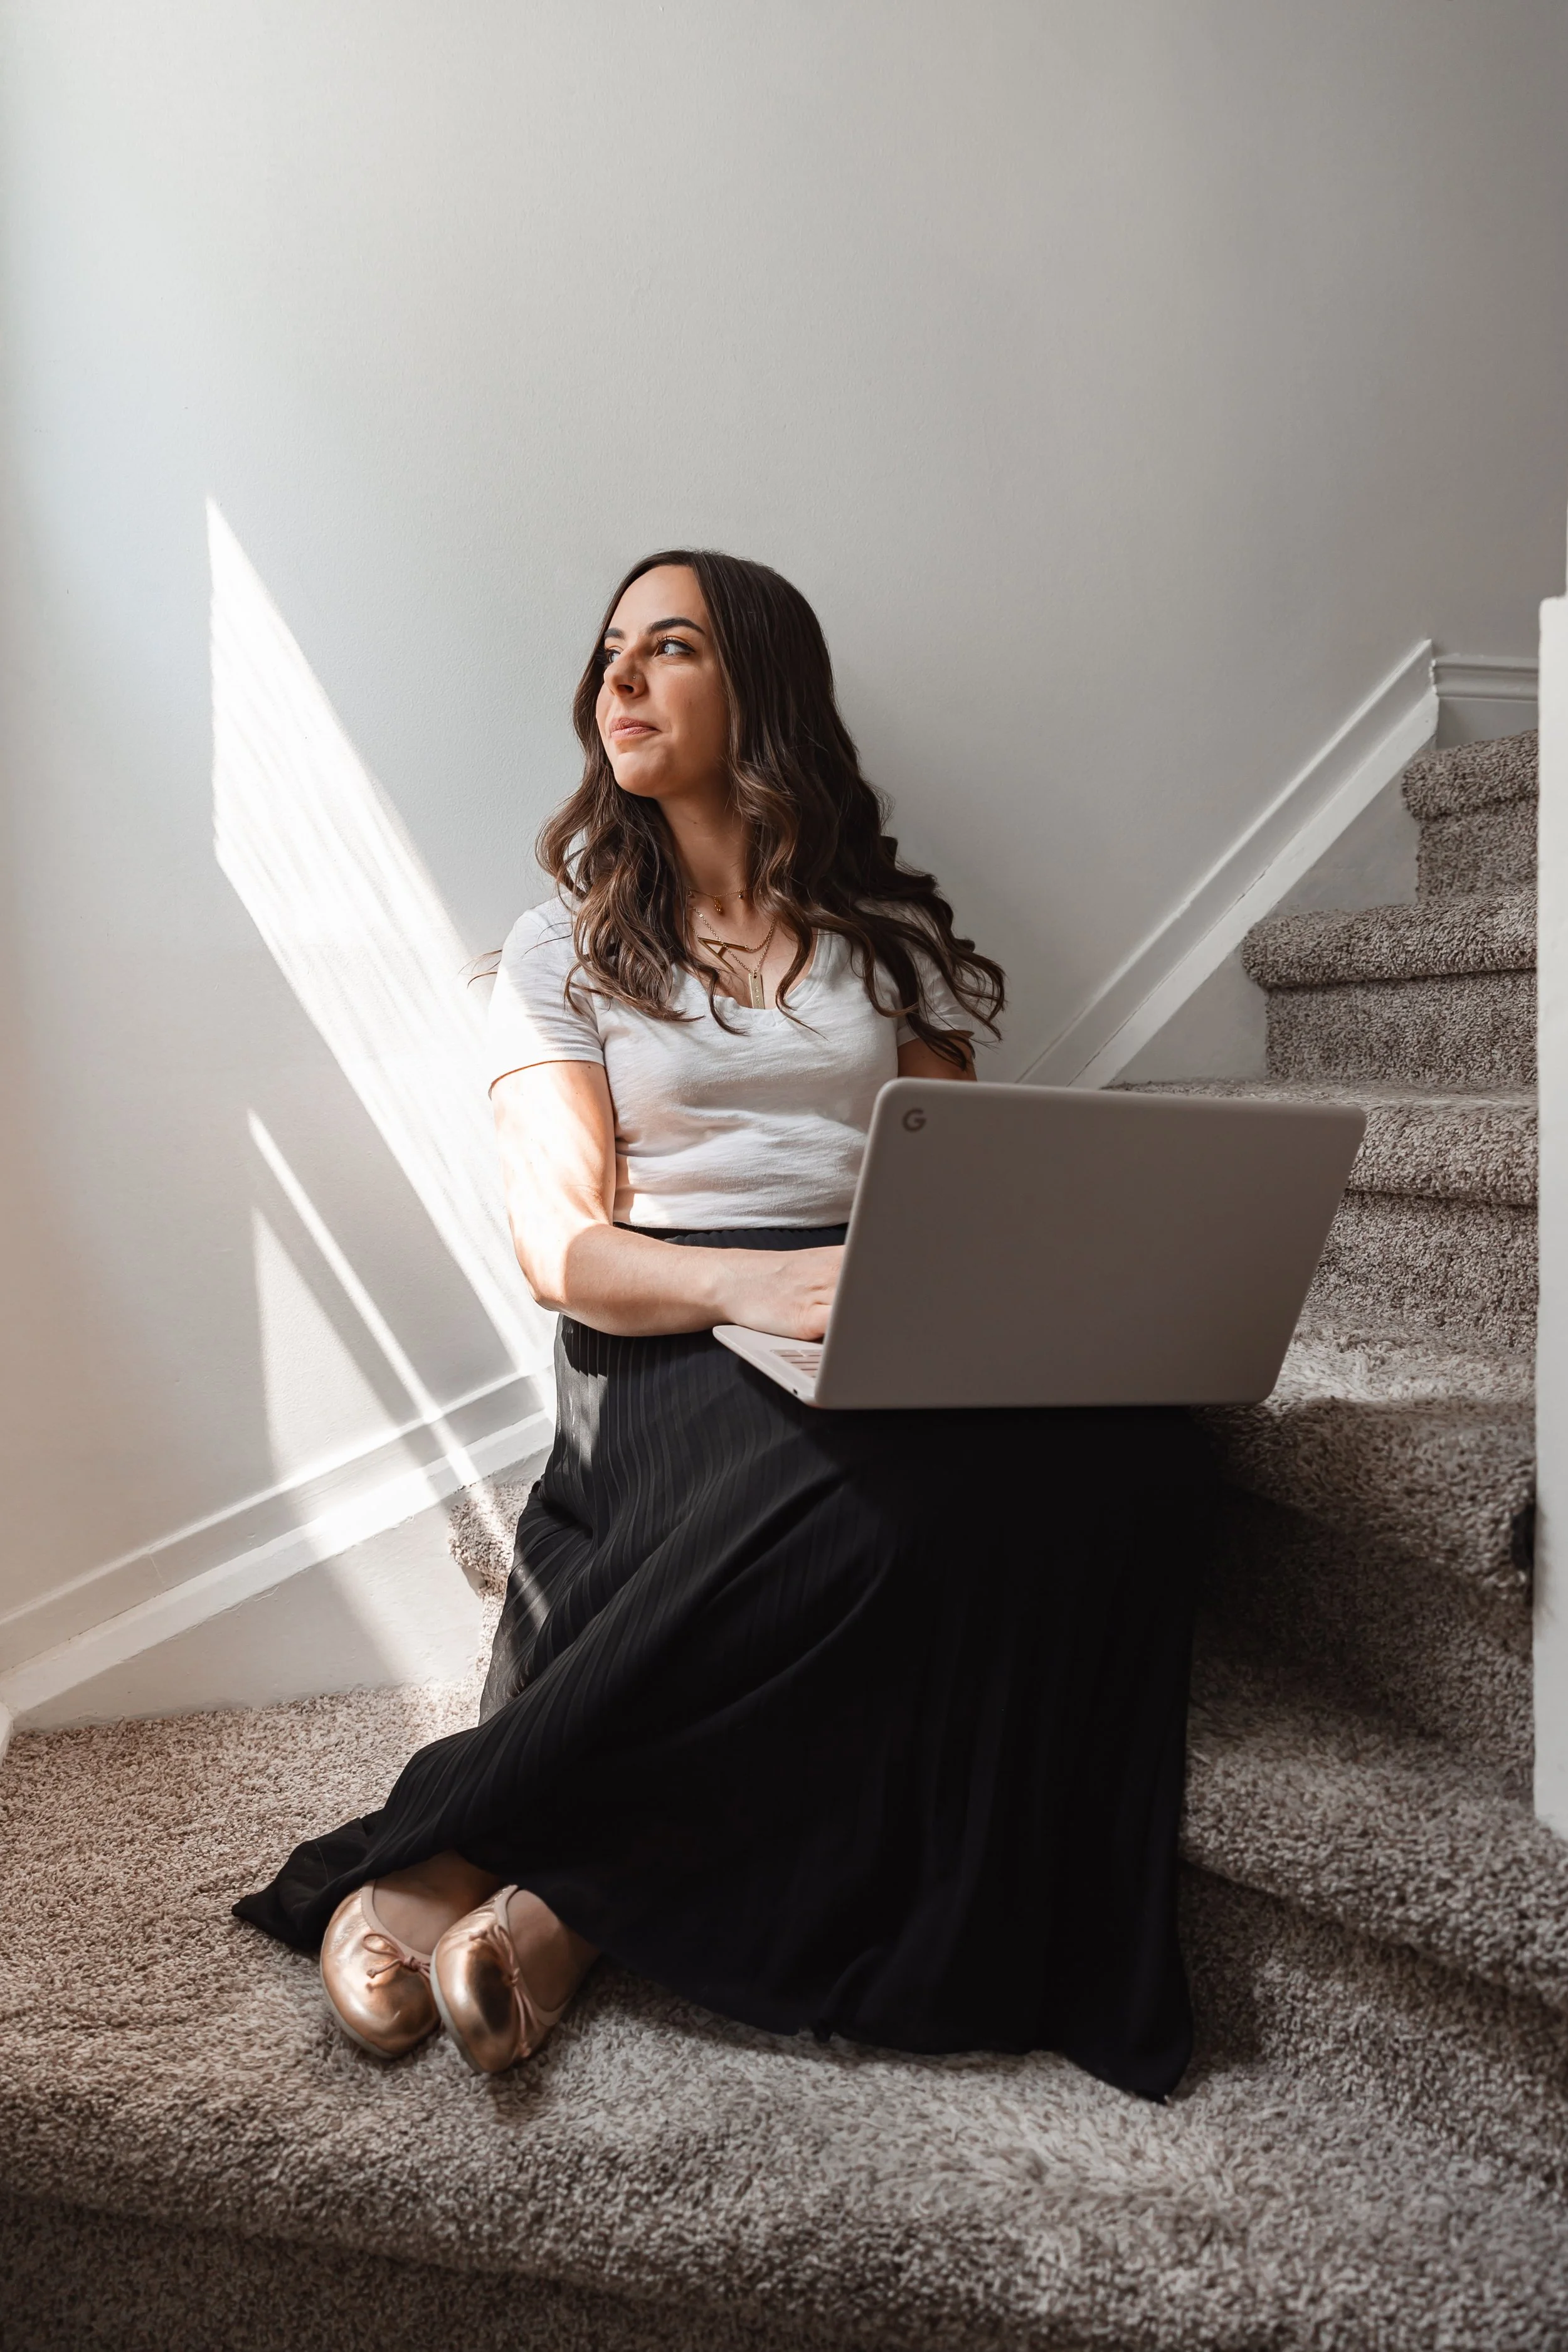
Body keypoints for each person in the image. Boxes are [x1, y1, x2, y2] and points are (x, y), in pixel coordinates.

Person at [235, 549, 1216, 2099]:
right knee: (883, 1517)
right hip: (672, 1331)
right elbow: (560, 1246)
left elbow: (965, 1180)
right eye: (610, 649)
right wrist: (758, 1286)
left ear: (757, 687)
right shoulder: (561, 944)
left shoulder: (870, 932)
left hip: (868, 1301)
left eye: (669, 647)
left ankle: (576, 1903)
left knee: (1136, 1472)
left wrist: (1043, 1301)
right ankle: (436, 1855)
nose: (616, 679)